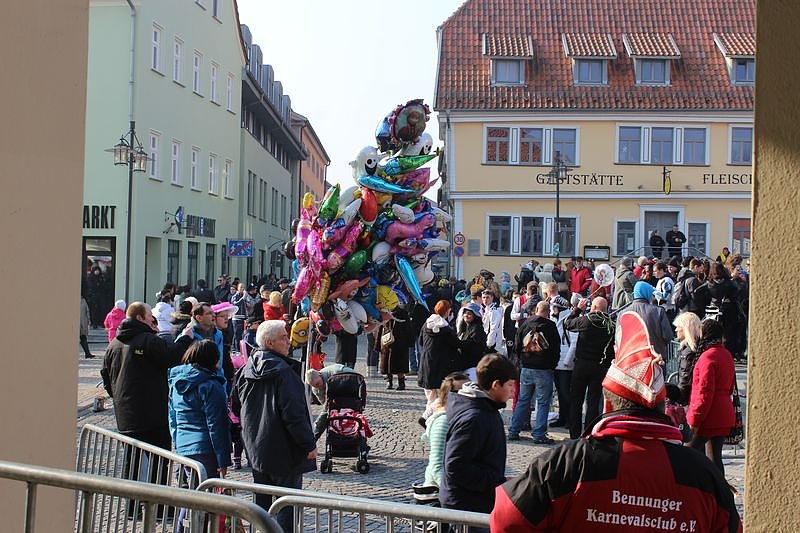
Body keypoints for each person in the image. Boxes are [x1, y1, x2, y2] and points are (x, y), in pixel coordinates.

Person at [490, 310, 742, 532]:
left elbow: (506, 520)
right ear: (662, 406)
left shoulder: (566, 463)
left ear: (608, 403)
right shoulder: (703, 473)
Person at [233, 320, 317, 532]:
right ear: (270, 342)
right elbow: (294, 415)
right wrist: (309, 444)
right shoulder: (284, 373)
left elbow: (235, 407)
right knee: (286, 505)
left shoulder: (246, 369)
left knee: (262, 505)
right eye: (283, 337)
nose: (288, 341)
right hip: (284, 450)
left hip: (257, 448)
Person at [100, 303, 194, 486]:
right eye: (150, 315)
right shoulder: (148, 340)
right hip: (152, 414)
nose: (153, 318)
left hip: (126, 415)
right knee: (159, 462)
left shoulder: (114, 344)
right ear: (140, 318)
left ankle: (132, 508)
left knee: (131, 463)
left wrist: (119, 398)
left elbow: (105, 376)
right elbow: (171, 356)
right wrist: (184, 339)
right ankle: (159, 509)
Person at [439, 354, 518, 524]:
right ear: (495, 385)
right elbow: (455, 465)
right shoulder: (475, 417)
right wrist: (499, 482)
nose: (513, 391)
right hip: (465, 506)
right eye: (510, 385)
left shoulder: (485, 408)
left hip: (475, 500)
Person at [168, 339, 231, 532]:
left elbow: (173, 416)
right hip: (206, 448)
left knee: (194, 494)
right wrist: (223, 459)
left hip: (186, 446)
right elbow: (217, 424)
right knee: (201, 498)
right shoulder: (211, 385)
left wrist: (178, 443)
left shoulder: (176, 380)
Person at [687, 319, 736, 475]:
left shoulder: (707, 357)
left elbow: (704, 393)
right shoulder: (726, 354)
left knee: (687, 453)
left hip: (709, 415)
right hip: (724, 412)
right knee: (715, 458)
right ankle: (719, 495)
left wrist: (694, 419)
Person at [508, 301, 560, 444]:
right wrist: (552, 364)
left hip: (526, 367)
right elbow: (556, 349)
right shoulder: (550, 326)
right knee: (543, 403)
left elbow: (517, 345)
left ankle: (513, 430)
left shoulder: (525, 324)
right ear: (548, 311)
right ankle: (539, 434)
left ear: (536, 309)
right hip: (544, 369)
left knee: (523, 400)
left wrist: (522, 361)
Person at [564, 297, 615, 439]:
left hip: (581, 364)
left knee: (576, 400)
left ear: (592, 307)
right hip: (599, 366)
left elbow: (567, 324)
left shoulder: (586, 320)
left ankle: (574, 434)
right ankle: (588, 433)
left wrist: (578, 309)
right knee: (593, 401)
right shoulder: (610, 324)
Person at [420, 372, 469, 489]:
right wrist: (453, 490)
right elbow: (436, 467)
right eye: (461, 391)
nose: (467, 395)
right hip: (438, 493)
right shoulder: (443, 422)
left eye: (469, 389)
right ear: (448, 396)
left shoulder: (457, 418)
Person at [418, 300, 461, 413]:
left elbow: (421, 341)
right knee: (440, 399)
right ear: (447, 311)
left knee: (431, 397)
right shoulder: (446, 329)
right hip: (441, 366)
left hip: (426, 363)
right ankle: (432, 419)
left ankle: (428, 419)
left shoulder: (426, 324)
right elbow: (456, 344)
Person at [306, 364, 360, 441]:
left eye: (317, 384)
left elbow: (357, 379)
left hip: (349, 390)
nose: (317, 387)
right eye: (314, 386)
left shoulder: (337, 373)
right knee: (324, 416)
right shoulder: (315, 389)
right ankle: (312, 440)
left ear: (320, 375)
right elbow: (325, 405)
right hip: (334, 398)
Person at [625, 281, 674, 359]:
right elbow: (668, 336)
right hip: (655, 357)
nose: (652, 296)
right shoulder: (658, 311)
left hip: (631, 358)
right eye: (651, 294)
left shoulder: (623, 314)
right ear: (647, 293)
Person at [707, 262, 743, 359]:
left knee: (714, 332)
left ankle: (715, 352)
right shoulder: (729, 282)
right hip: (728, 310)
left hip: (713, 309)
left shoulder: (710, 283)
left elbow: (697, 292)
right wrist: (730, 298)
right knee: (728, 334)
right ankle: (728, 354)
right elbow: (738, 290)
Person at [377, 306, 412, 390]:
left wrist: (409, 341)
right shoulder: (384, 312)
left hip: (400, 341)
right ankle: (390, 381)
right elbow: (380, 326)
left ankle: (401, 382)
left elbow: (408, 328)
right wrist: (378, 343)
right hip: (387, 341)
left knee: (400, 363)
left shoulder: (403, 313)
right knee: (387, 363)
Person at [673, 311, 702, 405]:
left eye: (679, 327)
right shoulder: (698, 347)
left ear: (686, 329)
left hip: (688, 401)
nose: (676, 330)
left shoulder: (688, 352)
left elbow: (685, 380)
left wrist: (677, 398)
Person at [457, 302, 486, 369]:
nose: (466, 315)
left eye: (469, 314)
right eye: (465, 313)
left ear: (475, 316)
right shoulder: (464, 326)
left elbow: (472, 346)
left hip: (472, 364)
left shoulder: (477, 328)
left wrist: (457, 343)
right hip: (464, 362)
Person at [481, 290, 504, 354]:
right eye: (483, 297)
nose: (485, 300)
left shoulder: (494, 311)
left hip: (493, 343)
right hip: (487, 339)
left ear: (492, 298)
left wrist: (489, 342)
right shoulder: (487, 309)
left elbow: (494, 328)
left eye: (487, 297)